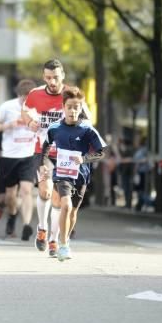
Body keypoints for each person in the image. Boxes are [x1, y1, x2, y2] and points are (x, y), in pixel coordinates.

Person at [22, 59, 86, 257]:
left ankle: (53, 240)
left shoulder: (72, 95)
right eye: (48, 78)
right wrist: (30, 121)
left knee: (59, 198)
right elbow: (25, 110)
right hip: (43, 150)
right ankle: (41, 229)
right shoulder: (35, 94)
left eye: (56, 77)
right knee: (45, 191)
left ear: (63, 76)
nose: (52, 81)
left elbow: (87, 120)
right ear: (43, 77)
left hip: (66, 153)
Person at [39, 86, 107, 261]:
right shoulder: (55, 128)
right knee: (66, 205)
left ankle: (65, 239)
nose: (72, 111)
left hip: (81, 176)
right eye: (69, 107)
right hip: (62, 175)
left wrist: (84, 160)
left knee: (73, 212)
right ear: (63, 107)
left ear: (80, 108)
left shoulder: (87, 129)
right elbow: (46, 147)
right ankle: (62, 245)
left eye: (76, 107)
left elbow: (101, 152)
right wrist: (43, 165)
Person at [0, 79, 38, 239]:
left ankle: (26, 225)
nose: (27, 100)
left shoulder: (38, 107)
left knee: (26, 190)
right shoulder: (7, 106)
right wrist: (8, 125)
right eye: (25, 97)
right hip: (9, 156)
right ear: (19, 95)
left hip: (29, 155)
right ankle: (12, 217)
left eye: (30, 97)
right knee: (10, 196)